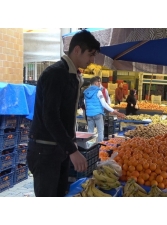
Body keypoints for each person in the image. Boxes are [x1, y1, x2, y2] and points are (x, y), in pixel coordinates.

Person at [27, 30, 100, 197]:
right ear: (76, 50)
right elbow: (50, 117)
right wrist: (73, 151)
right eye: (90, 54)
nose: (92, 60)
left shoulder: (72, 75)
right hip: (45, 151)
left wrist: (70, 147)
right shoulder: (56, 74)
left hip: (59, 150)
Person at [84, 76, 125, 142]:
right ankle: (99, 147)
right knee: (100, 131)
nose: (100, 83)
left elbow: (85, 103)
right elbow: (104, 104)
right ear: (95, 83)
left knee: (90, 132)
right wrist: (115, 112)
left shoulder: (86, 92)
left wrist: (89, 111)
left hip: (89, 115)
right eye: (98, 81)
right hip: (98, 114)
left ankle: (89, 147)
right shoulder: (98, 91)